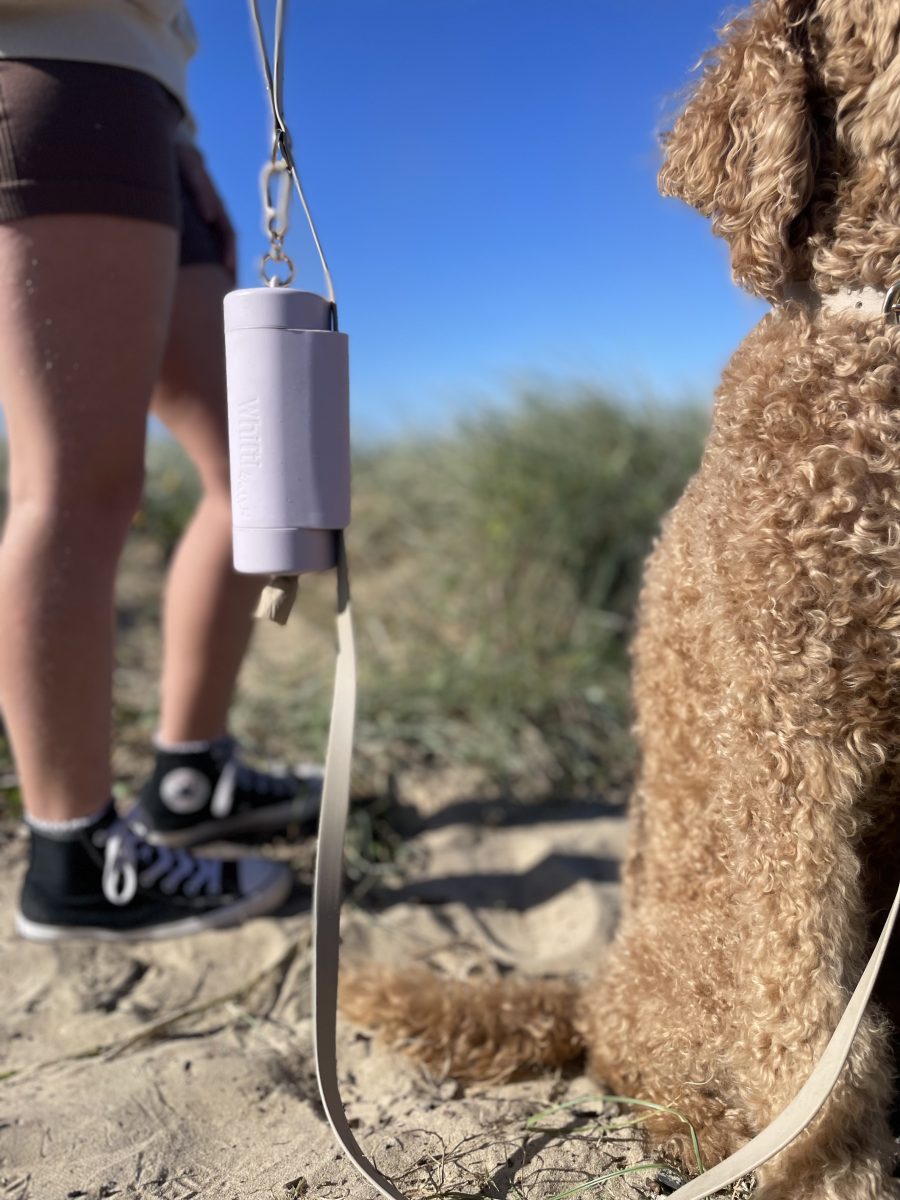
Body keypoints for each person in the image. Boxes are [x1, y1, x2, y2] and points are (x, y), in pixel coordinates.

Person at [0, 1, 316, 941]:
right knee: (77, 484)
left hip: (147, 110)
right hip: (53, 68)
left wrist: (179, 139)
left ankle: (191, 775)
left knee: (262, 472)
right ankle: (74, 858)